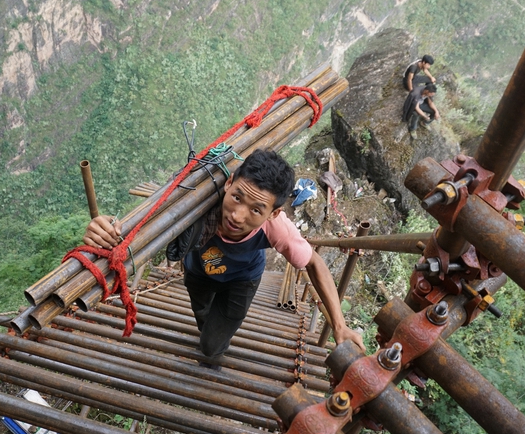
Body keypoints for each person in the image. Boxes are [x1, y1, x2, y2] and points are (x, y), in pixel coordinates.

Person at [83, 150, 364, 366]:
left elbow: (314, 263)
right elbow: (147, 219)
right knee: (202, 314)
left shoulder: (278, 228)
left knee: (210, 346)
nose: (237, 216)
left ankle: (213, 352)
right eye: (238, 197)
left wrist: (339, 326)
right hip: (197, 272)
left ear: (273, 213)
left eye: (256, 210)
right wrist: (108, 227)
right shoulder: (197, 201)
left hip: (243, 280)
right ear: (229, 182)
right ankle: (209, 329)